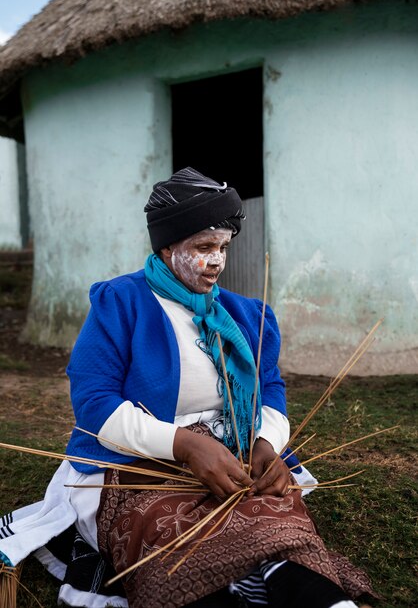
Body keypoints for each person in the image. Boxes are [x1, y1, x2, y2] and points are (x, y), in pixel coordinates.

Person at [0, 168, 374, 608]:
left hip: (231, 456)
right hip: (134, 464)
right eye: (203, 247)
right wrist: (183, 445)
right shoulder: (121, 303)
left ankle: (300, 588)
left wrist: (265, 442)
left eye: (223, 248)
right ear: (167, 246)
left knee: (275, 519)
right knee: (167, 531)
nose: (216, 261)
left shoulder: (246, 316)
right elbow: (94, 404)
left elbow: (269, 386)